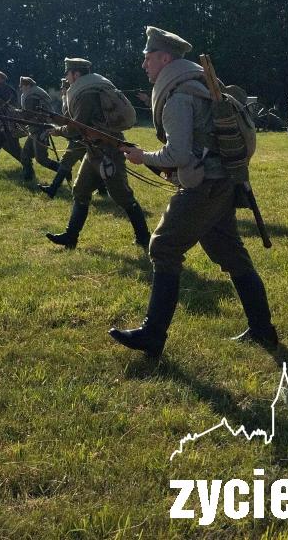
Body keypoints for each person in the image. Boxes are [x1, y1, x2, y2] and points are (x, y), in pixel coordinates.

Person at [113, 26, 278, 357]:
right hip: (223, 183)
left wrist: (141, 156)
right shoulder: (198, 85)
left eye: (148, 58)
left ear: (164, 58)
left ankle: (153, 334)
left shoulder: (178, 96)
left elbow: (179, 156)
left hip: (203, 187)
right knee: (231, 254)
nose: (144, 65)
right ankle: (263, 329)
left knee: (162, 247)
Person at [45, 58, 149, 251]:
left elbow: (76, 128)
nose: (67, 78)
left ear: (76, 74)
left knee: (122, 196)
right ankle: (71, 236)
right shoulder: (90, 87)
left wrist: (58, 130)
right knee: (80, 191)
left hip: (107, 150)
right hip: (94, 150)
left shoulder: (86, 94)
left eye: (68, 74)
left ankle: (144, 237)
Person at [38, 77, 85, 197]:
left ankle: (52, 189)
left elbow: (71, 123)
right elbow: (67, 122)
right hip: (79, 137)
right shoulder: (69, 99)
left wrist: (57, 130)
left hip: (80, 138)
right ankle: (103, 189)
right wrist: (53, 117)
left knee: (65, 163)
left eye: (63, 88)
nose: (62, 90)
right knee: (90, 163)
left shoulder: (72, 100)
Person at [17, 76, 60, 182]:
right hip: (35, 129)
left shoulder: (32, 96)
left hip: (39, 129)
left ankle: (63, 170)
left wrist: (16, 113)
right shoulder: (34, 93)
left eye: (22, 86)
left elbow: (28, 115)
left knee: (41, 159)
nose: (21, 88)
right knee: (25, 155)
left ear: (28, 85)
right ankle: (28, 178)